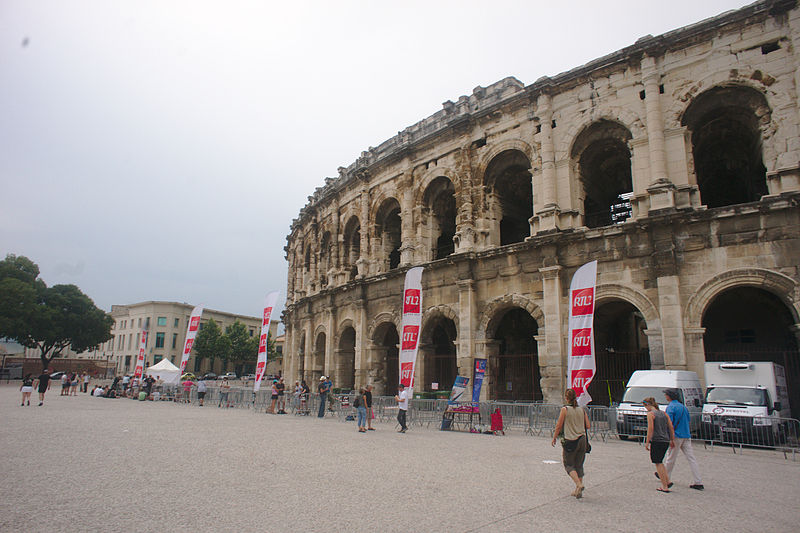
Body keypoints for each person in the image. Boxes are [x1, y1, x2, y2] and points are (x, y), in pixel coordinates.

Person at [551, 388, 591, 498]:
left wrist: (554, 437)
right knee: (579, 465)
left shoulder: (565, 409)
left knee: (569, 465)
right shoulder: (581, 410)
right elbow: (588, 425)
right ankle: (578, 490)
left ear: (566, 398)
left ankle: (579, 484)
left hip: (571, 440)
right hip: (582, 439)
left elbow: (559, 425)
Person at [662, 388, 704, 490]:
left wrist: (670, 438)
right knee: (691, 458)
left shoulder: (671, 407)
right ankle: (698, 481)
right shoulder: (683, 407)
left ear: (669, 396)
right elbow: (688, 420)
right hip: (686, 434)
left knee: (671, 458)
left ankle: (666, 479)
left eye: (666, 395)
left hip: (676, 435)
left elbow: (669, 424)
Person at [644, 397, 676, 493]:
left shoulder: (651, 414)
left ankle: (664, 486)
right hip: (665, 440)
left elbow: (651, 428)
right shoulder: (664, 413)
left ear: (648, 405)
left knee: (658, 462)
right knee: (661, 461)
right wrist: (671, 439)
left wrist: (647, 441)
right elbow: (670, 426)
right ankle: (667, 480)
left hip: (657, 440)